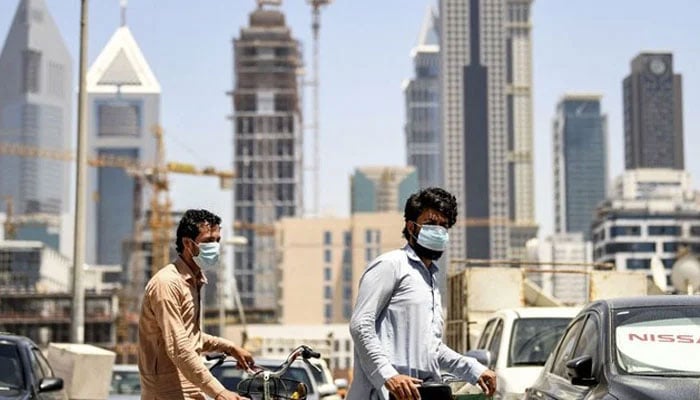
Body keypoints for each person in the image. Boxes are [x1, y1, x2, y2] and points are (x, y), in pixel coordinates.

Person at [347, 187, 497, 400]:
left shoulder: (430, 279)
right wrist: (389, 375)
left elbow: (431, 350)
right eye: (430, 224)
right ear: (411, 227)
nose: (438, 230)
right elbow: (361, 325)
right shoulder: (390, 266)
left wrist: (473, 369)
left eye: (444, 226)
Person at [138, 209, 253, 400]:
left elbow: (192, 337)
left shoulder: (193, 281)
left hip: (190, 387)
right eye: (208, 241)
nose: (215, 246)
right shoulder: (167, 284)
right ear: (187, 243)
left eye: (217, 241)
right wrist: (220, 393)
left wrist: (230, 347)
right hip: (169, 391)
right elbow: (179, 346)